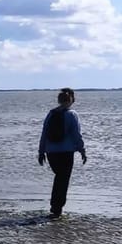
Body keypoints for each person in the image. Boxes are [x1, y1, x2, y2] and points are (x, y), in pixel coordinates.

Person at [38, 88, 87, 218]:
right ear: (72, 100)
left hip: (51, 152)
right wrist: (82, 150)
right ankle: (57, 208)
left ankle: (55, 207)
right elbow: (77, 134)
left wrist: (41, 151)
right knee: (63, 179)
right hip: (66, 152)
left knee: (59, 177)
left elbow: (44, 134)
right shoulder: (72, 114)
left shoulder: (51, 113)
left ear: (58, 100)